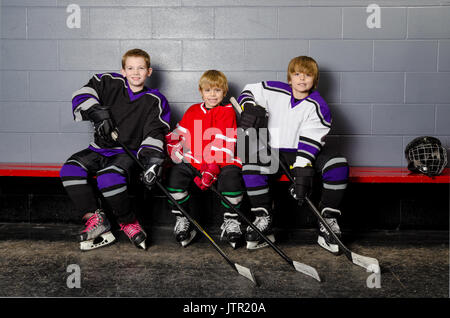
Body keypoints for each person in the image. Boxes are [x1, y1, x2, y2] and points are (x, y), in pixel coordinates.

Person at [60, 48, 170, 251]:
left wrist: (153, 161)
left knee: (108, 177)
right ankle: (96, 219)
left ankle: (129, 223)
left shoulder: (155, 100)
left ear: (149, 71)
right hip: (98, 149)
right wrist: (96, 112)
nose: (135, 72)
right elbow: (83, 93)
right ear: (123, 71)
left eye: (140, 68)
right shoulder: (108, 82)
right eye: (130, 68)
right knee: (70, 169)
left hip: (126, 153)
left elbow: (155, 132)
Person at [237, 56, 349, 253]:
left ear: (315, 80)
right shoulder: (273, 89)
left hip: (304, 152)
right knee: (251, 166)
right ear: (290, 78)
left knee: (338, 164)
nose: (302, 79)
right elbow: (248, 91)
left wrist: (301, 167)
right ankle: (263, 218)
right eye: (297, 74)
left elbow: (310, 141)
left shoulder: (319, 105)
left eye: (308, 75)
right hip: (274, 151)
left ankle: (328, 220)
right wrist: (248, 106)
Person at [165, 70, 244, 248]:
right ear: (201, 91)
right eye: (208, 90)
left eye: (217, 90)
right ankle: (183, 218)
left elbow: (225, 142)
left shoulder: (227, 111)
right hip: (196, 159)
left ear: (224, 92)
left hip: (223, 159)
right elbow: (181, 133)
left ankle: (232, 221)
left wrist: (212, 168)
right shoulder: (193, 110)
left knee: (231, 177)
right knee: (175, 175)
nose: (212, 95)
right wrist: (173, 143)